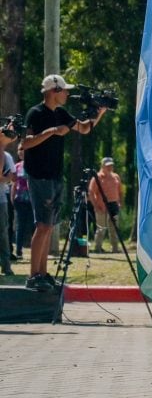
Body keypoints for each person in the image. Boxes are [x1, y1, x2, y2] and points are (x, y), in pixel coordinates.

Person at [20, 74, 106, 291]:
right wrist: (52, 132)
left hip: (56, 175)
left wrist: (100, 112)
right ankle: (33, 276)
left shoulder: (61, 113)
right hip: (39, 175)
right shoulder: (36, 113)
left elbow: (84, 128)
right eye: (64, 90)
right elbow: (25, 143)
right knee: (42, 225)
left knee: (49, 226)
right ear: (53, 91)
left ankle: (43, 273)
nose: (67, 93)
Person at [87, 157, 123, 254]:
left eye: (111, 165)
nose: (110, 167)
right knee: (101, 228)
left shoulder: (116, 176)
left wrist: (120, 202)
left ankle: (115, 248)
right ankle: (98, 248)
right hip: (101, 205)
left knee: (114, 228)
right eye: (107, 166)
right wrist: (95, 205)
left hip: (114, 204)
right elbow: (91, 192)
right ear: (102, 166)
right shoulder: (97, 177)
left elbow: (120, 191)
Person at [13, 147, 33, 262]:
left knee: (33, 225)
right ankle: (18, 250)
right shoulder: (17, 166)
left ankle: (34, 250)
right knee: (20, 225)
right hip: (20, 199)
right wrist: (13, 197)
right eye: (20, 151)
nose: (22, 153)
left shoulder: (34, 165)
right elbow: (14, 183)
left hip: (32, 199)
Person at [0, 135, 14, 276]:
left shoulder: (7, 156)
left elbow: (11, 176)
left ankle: (6, 266)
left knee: (3, 233)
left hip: (1, 199)